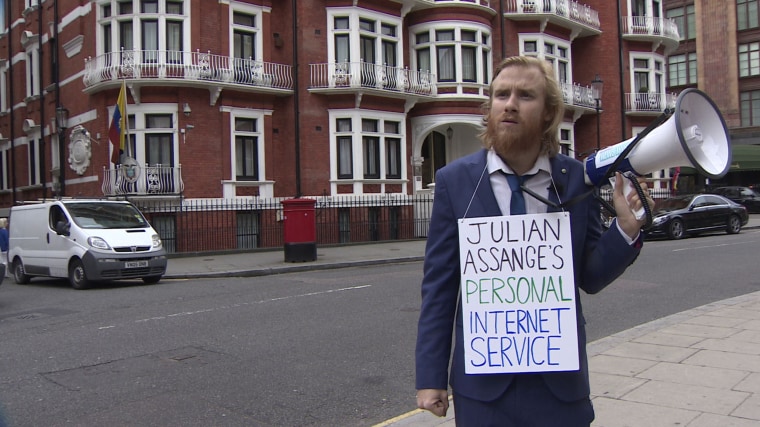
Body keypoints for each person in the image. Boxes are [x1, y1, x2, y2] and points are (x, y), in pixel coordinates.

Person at [415, 56, 654, 426]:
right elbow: (440, 288)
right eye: (501, 94)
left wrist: (625, 230)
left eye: (525, 95)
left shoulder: (576, 180)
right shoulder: (455, 181)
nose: (509, 103)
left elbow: (589, 276)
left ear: (548, 113)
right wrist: (431, 378)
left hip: (559, 391)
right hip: (483, 393)